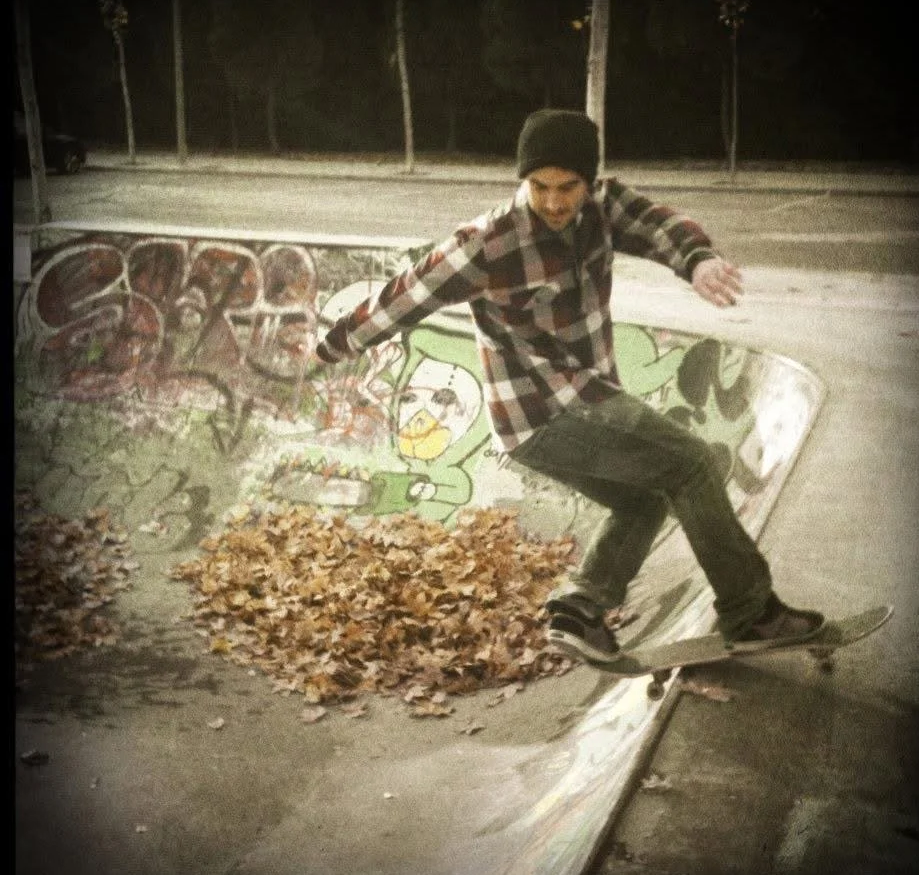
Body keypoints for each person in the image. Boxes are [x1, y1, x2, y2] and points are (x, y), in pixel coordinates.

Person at [315, 108, 824, 664]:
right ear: (522, 180)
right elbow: (405, 295)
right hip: (542, 413)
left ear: (590, 180)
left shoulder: (604, 207)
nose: (554, 203)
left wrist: (697, 261)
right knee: (692, 463)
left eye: (568, 188)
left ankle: (580, 611)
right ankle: (752, 614)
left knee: (645, 500)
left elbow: (659, 226)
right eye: (539, 187)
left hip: (584, 402)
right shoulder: (486, 243)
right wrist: (332, 346)